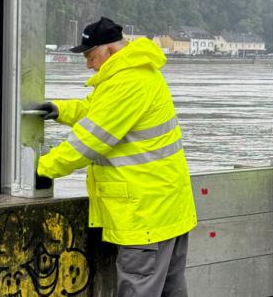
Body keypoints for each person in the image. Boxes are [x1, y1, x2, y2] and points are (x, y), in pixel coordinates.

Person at [35, 17, 197, 296]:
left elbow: (89, 142)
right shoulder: (138, 74)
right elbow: (97, 111)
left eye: (90, 55)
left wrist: (40, 168)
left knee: (137, 290)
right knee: (172, 291)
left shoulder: (127, 83)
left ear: (109, 50)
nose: (88, 64)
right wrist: (60, 110)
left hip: (143, 218)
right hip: (167, 211)